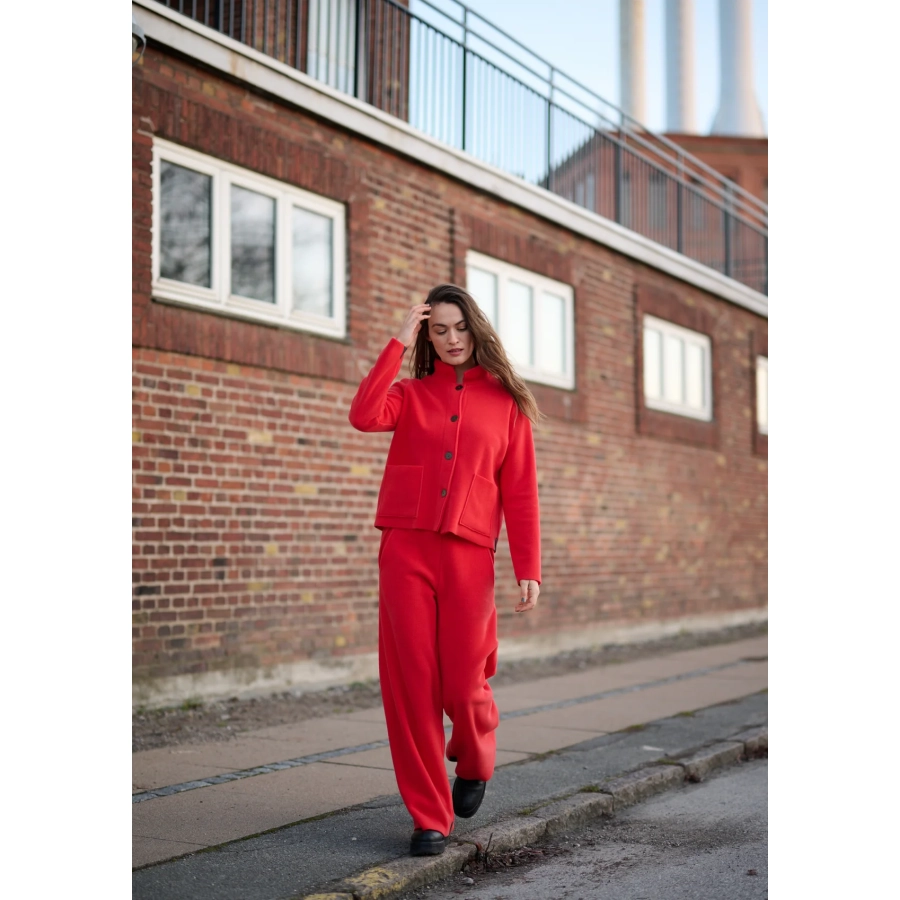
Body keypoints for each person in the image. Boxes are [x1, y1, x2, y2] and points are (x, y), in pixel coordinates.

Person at [348, 283, 542, 857]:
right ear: (427, 338)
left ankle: (476, 756)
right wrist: (397, 343)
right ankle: (429, 816)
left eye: (460, 328)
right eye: (439, 330)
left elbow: (521, 491)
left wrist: (528, 565)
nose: (452, 339)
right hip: (405, 550)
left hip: (469, 556)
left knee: (464, 680)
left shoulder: (507, 403)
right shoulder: (409, 394)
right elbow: (363, 415)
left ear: (475, 330)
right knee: (411, 686)